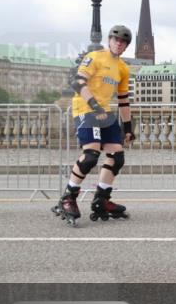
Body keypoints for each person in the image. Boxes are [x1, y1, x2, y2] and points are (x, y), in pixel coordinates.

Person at [52, 25, 136, 226]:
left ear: (126, 46)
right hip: (85, 107)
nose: (119, 43)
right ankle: (68, 197)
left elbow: (123, 101)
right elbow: (78, 83)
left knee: (117, 156)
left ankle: (101, 199)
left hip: (104, 113)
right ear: (109, 40)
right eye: (116, 39)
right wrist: (94, 106)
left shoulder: (123, 68)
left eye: (123, 42)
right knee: (91, 155)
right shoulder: (95, 57)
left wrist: (128, 128)